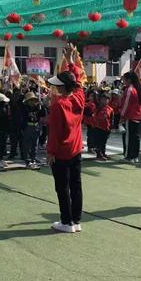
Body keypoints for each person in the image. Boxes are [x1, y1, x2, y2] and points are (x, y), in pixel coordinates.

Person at [46, 43, 85, 234]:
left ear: (61, 87)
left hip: (61, 152)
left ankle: (66, 221)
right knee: (76, 185)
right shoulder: (79, 97)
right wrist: (70, 60)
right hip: (76, 149)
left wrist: (50, 152)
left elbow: (55, 132)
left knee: (62, 188)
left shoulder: (58, 105)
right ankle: (76, 220)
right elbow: (77, 79)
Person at [120, 71, 141, 163]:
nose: (123, 81)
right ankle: (135, 156)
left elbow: (126, 104)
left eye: (124, 79)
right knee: (135, 137)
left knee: (128, 138)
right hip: (138, 116)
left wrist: (122, 116)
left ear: (129, 80)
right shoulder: (138, 89)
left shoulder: (130, 89)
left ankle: (128, 156)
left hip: (130, 116)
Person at [21, 91, 41, 168]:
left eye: (33, 100)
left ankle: (33, 159)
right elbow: (23, 118)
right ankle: (28, 160)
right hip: (28, 127)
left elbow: (43, 114)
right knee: (27, 145)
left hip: (36, 127)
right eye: (30, 100)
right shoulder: (24, 108)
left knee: (35, 144)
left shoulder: (37, 107)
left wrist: (40, 107)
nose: (32, 102)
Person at [92, 93, 114, 161]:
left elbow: (112, 119)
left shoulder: (110, 109)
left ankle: (103, 153)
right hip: (98, 128)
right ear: (100, 100)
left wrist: (111, 127)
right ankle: (99, 155)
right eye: (103, 99)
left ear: (109, 100)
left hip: (106, 129)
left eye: (106, 100)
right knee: (98, 142)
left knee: (104, 142)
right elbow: (95, 100)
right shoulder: (98, 107)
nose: (104, 101)